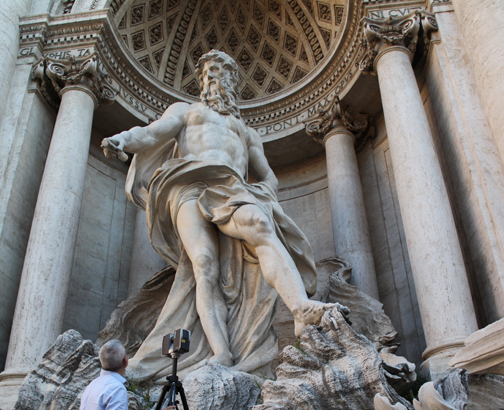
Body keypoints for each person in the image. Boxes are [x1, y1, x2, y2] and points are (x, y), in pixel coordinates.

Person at [102, 50, 345, 380]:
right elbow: (151, 134)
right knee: (203, 263)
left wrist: (263, 194)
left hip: (232, 189)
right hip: (188, 186)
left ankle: (300, 307)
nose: (214, 80)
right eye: (208, 74)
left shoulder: (246, 132)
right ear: (202, 81)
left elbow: (269, 177)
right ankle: (222, 352)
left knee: (260, 224)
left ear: (234, 83)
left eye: (221, 73)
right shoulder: (186, 112)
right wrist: (122, 139)